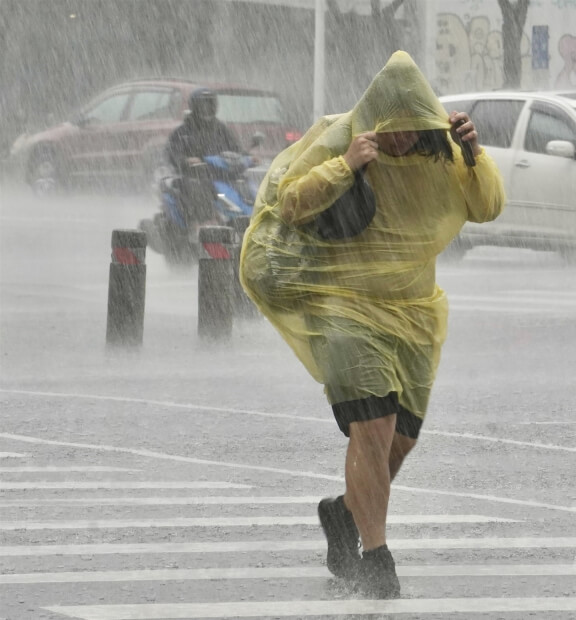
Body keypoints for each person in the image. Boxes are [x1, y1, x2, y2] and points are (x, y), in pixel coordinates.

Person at [239, 51, 505, 599]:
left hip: (413, 314)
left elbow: (488, 208)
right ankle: (377, 555)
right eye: (392, 128)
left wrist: (475, 154)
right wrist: (347, 164)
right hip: (343, 306)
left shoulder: (446, 152)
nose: (401, 139)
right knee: (373, 426)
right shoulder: (345, 138)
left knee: (398, 444)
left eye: (411, 128)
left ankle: (343, 513)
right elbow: (289, 203)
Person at [165, 87, 242, 232]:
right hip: (194, 175)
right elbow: (173, 153)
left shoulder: (221, 130)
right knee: (197, 186)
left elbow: (236, 149)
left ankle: (246, 218)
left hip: (221, 175)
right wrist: (186, 160)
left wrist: (249, 157)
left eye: (209, 104)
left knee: (245, 184)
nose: (206, 109)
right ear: (194, 106)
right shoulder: (183, 131)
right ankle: (200, 222)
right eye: (202, 105)